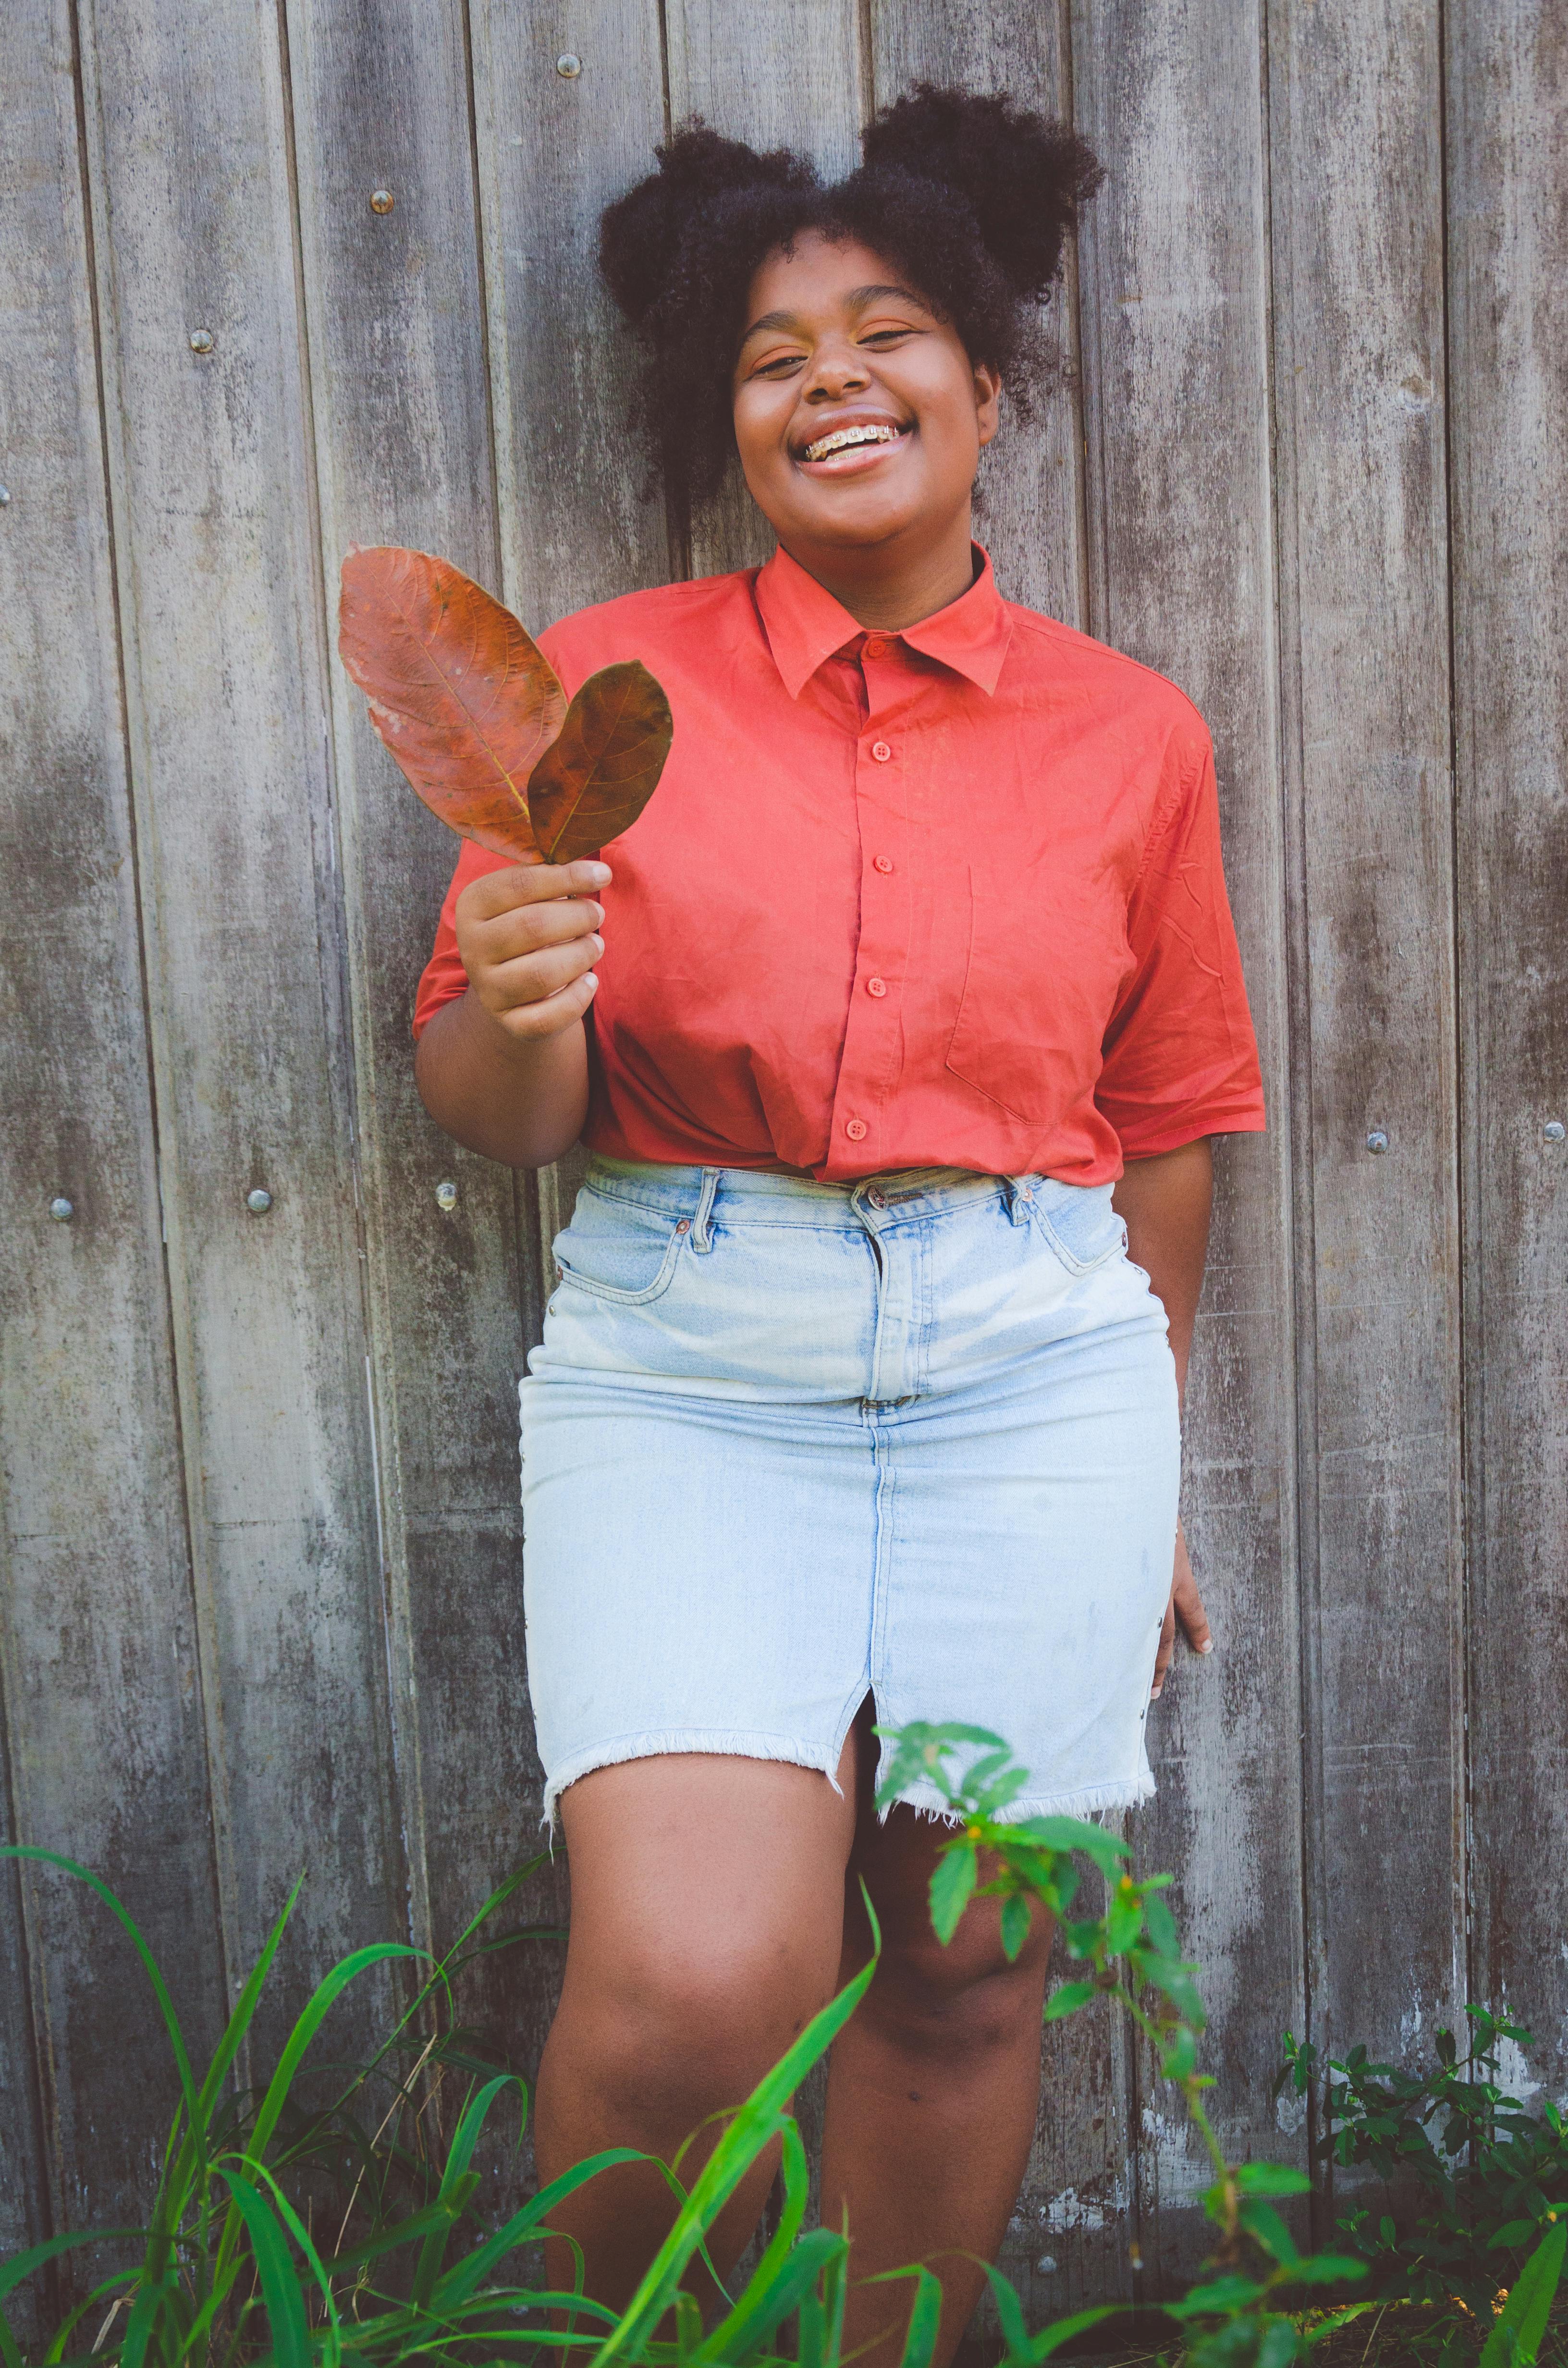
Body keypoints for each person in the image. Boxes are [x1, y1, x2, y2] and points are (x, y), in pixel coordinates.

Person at [412, 86, 1264, 2368]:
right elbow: (496, 1111)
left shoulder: (1131, 739)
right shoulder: (606, 691)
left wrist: (1151, 1452)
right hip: (697, 1349)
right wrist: (516, 1000)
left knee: (974, 1954)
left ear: (989, 387)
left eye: (891, 332)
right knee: (698, 1981)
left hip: (1036, 1359)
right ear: (732, 419)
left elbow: (1168, 1122)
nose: (833, 379)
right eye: (777, 353)